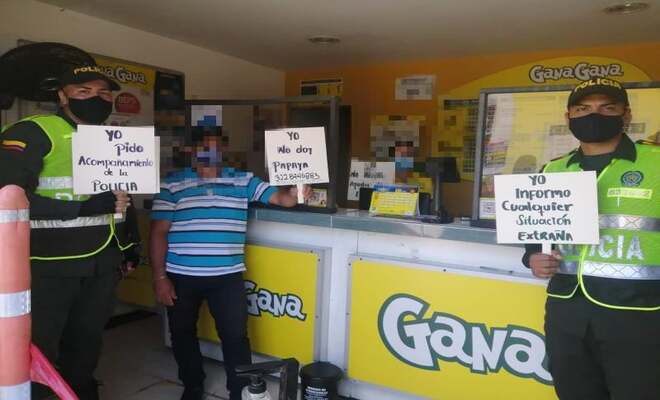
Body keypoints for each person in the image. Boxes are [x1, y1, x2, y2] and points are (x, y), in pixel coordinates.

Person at [0, 64, 141, 400]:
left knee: (87, 341)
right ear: (62, 96)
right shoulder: (34, 131)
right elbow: (6, 194)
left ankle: (81, 392)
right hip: (49, 263)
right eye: (84, 91)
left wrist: (129, 245)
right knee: (41, 346)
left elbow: (123, 196)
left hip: (102, 262)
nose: (96, 98)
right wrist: (81, 208)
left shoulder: (111, 138)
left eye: (104, 92)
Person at [523, 78, 660, 400]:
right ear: (568, 117)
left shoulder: (655, 162)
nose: (593, 115)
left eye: (607, 108)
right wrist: (533, 258)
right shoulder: (553, 170)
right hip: (566, 312)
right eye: (582, 109)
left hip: (640, 313)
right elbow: (537, 236)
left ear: (625, 115)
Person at [150, 133, 312, 400]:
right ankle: (193, 385)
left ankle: (240, 391)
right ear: (191, 150)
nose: (209, 153)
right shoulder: (172, 184)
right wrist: (159, 278)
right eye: (203, 147)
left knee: (236, 337)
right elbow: (158, 232)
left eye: (215, 147)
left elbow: (283, 199)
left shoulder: (243, 180)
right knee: (181, 333)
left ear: (223, 151)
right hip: (181, 276)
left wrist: (296, 191)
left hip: (227, 276)